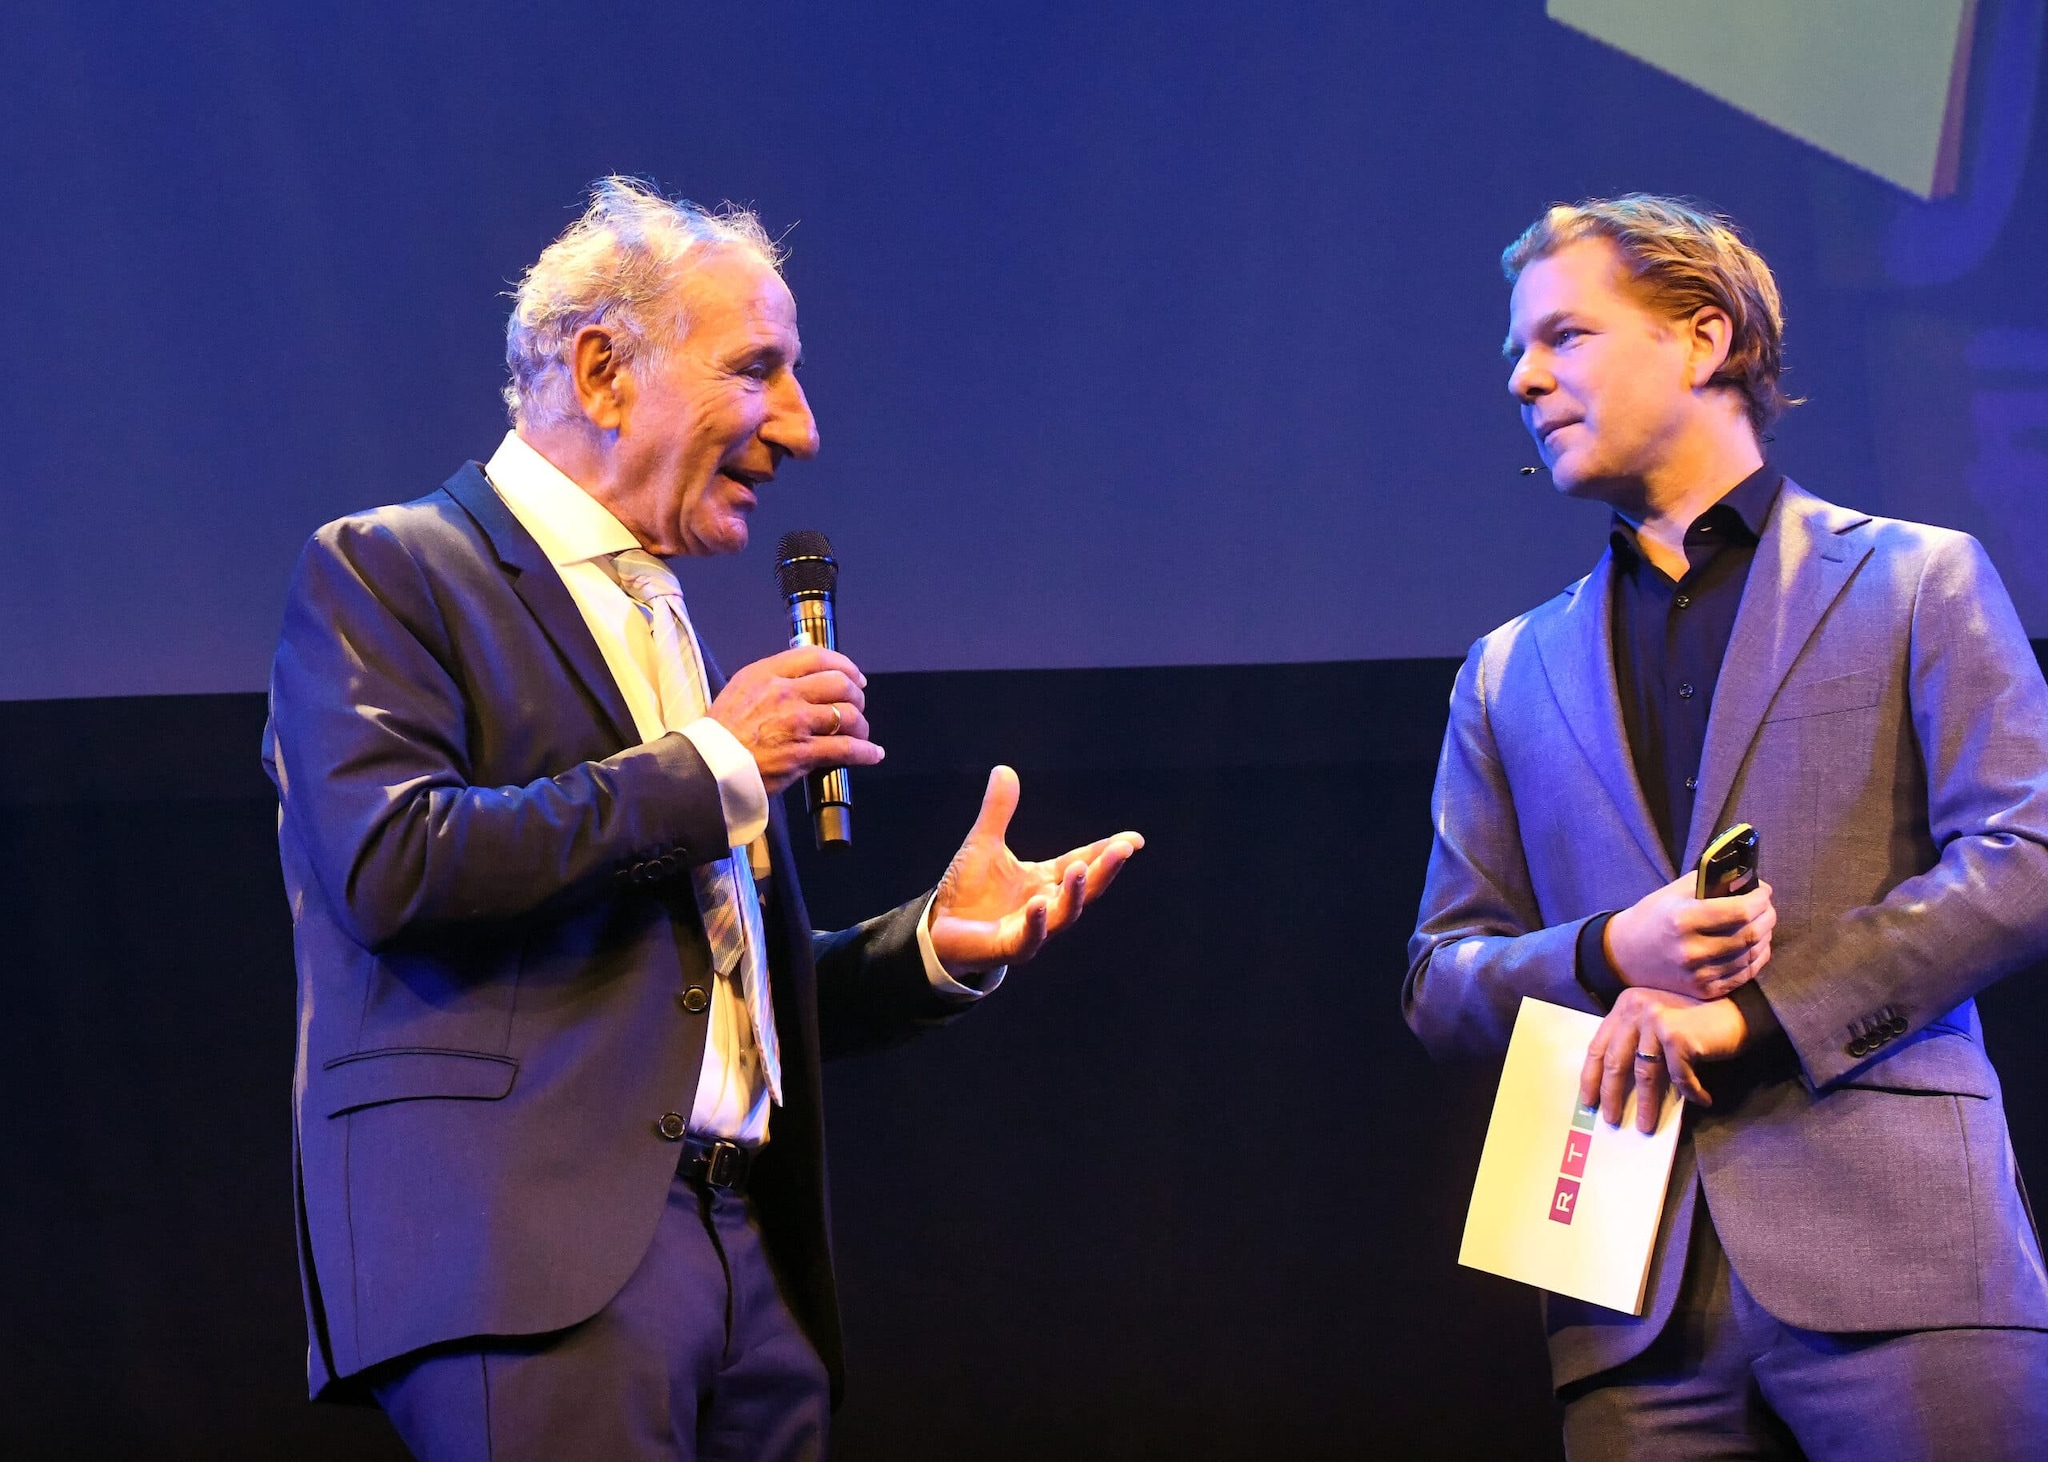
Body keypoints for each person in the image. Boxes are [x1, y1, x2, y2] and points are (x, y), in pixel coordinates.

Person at [263, 176, 1142, 1462]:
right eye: (758, 370)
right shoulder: (389, 571)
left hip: (749, 1261)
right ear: (604, 369)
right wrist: (715, 759)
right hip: (532, 1269)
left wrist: (935, 946)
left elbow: (691, 1002)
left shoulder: (664, 615)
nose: (800, 426)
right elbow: (394, 865)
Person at [1404, 194, 2048, 1459]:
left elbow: (2023, 858)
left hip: (1898, 1260)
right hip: (1624, 1295)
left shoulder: (1914, 578)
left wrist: (1748, 1016)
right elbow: (1439, 977)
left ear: (1703, 340)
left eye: (1564, 336)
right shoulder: (1503, 669)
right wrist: (1603, 953)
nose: (1527, 378)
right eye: (1515, 356)